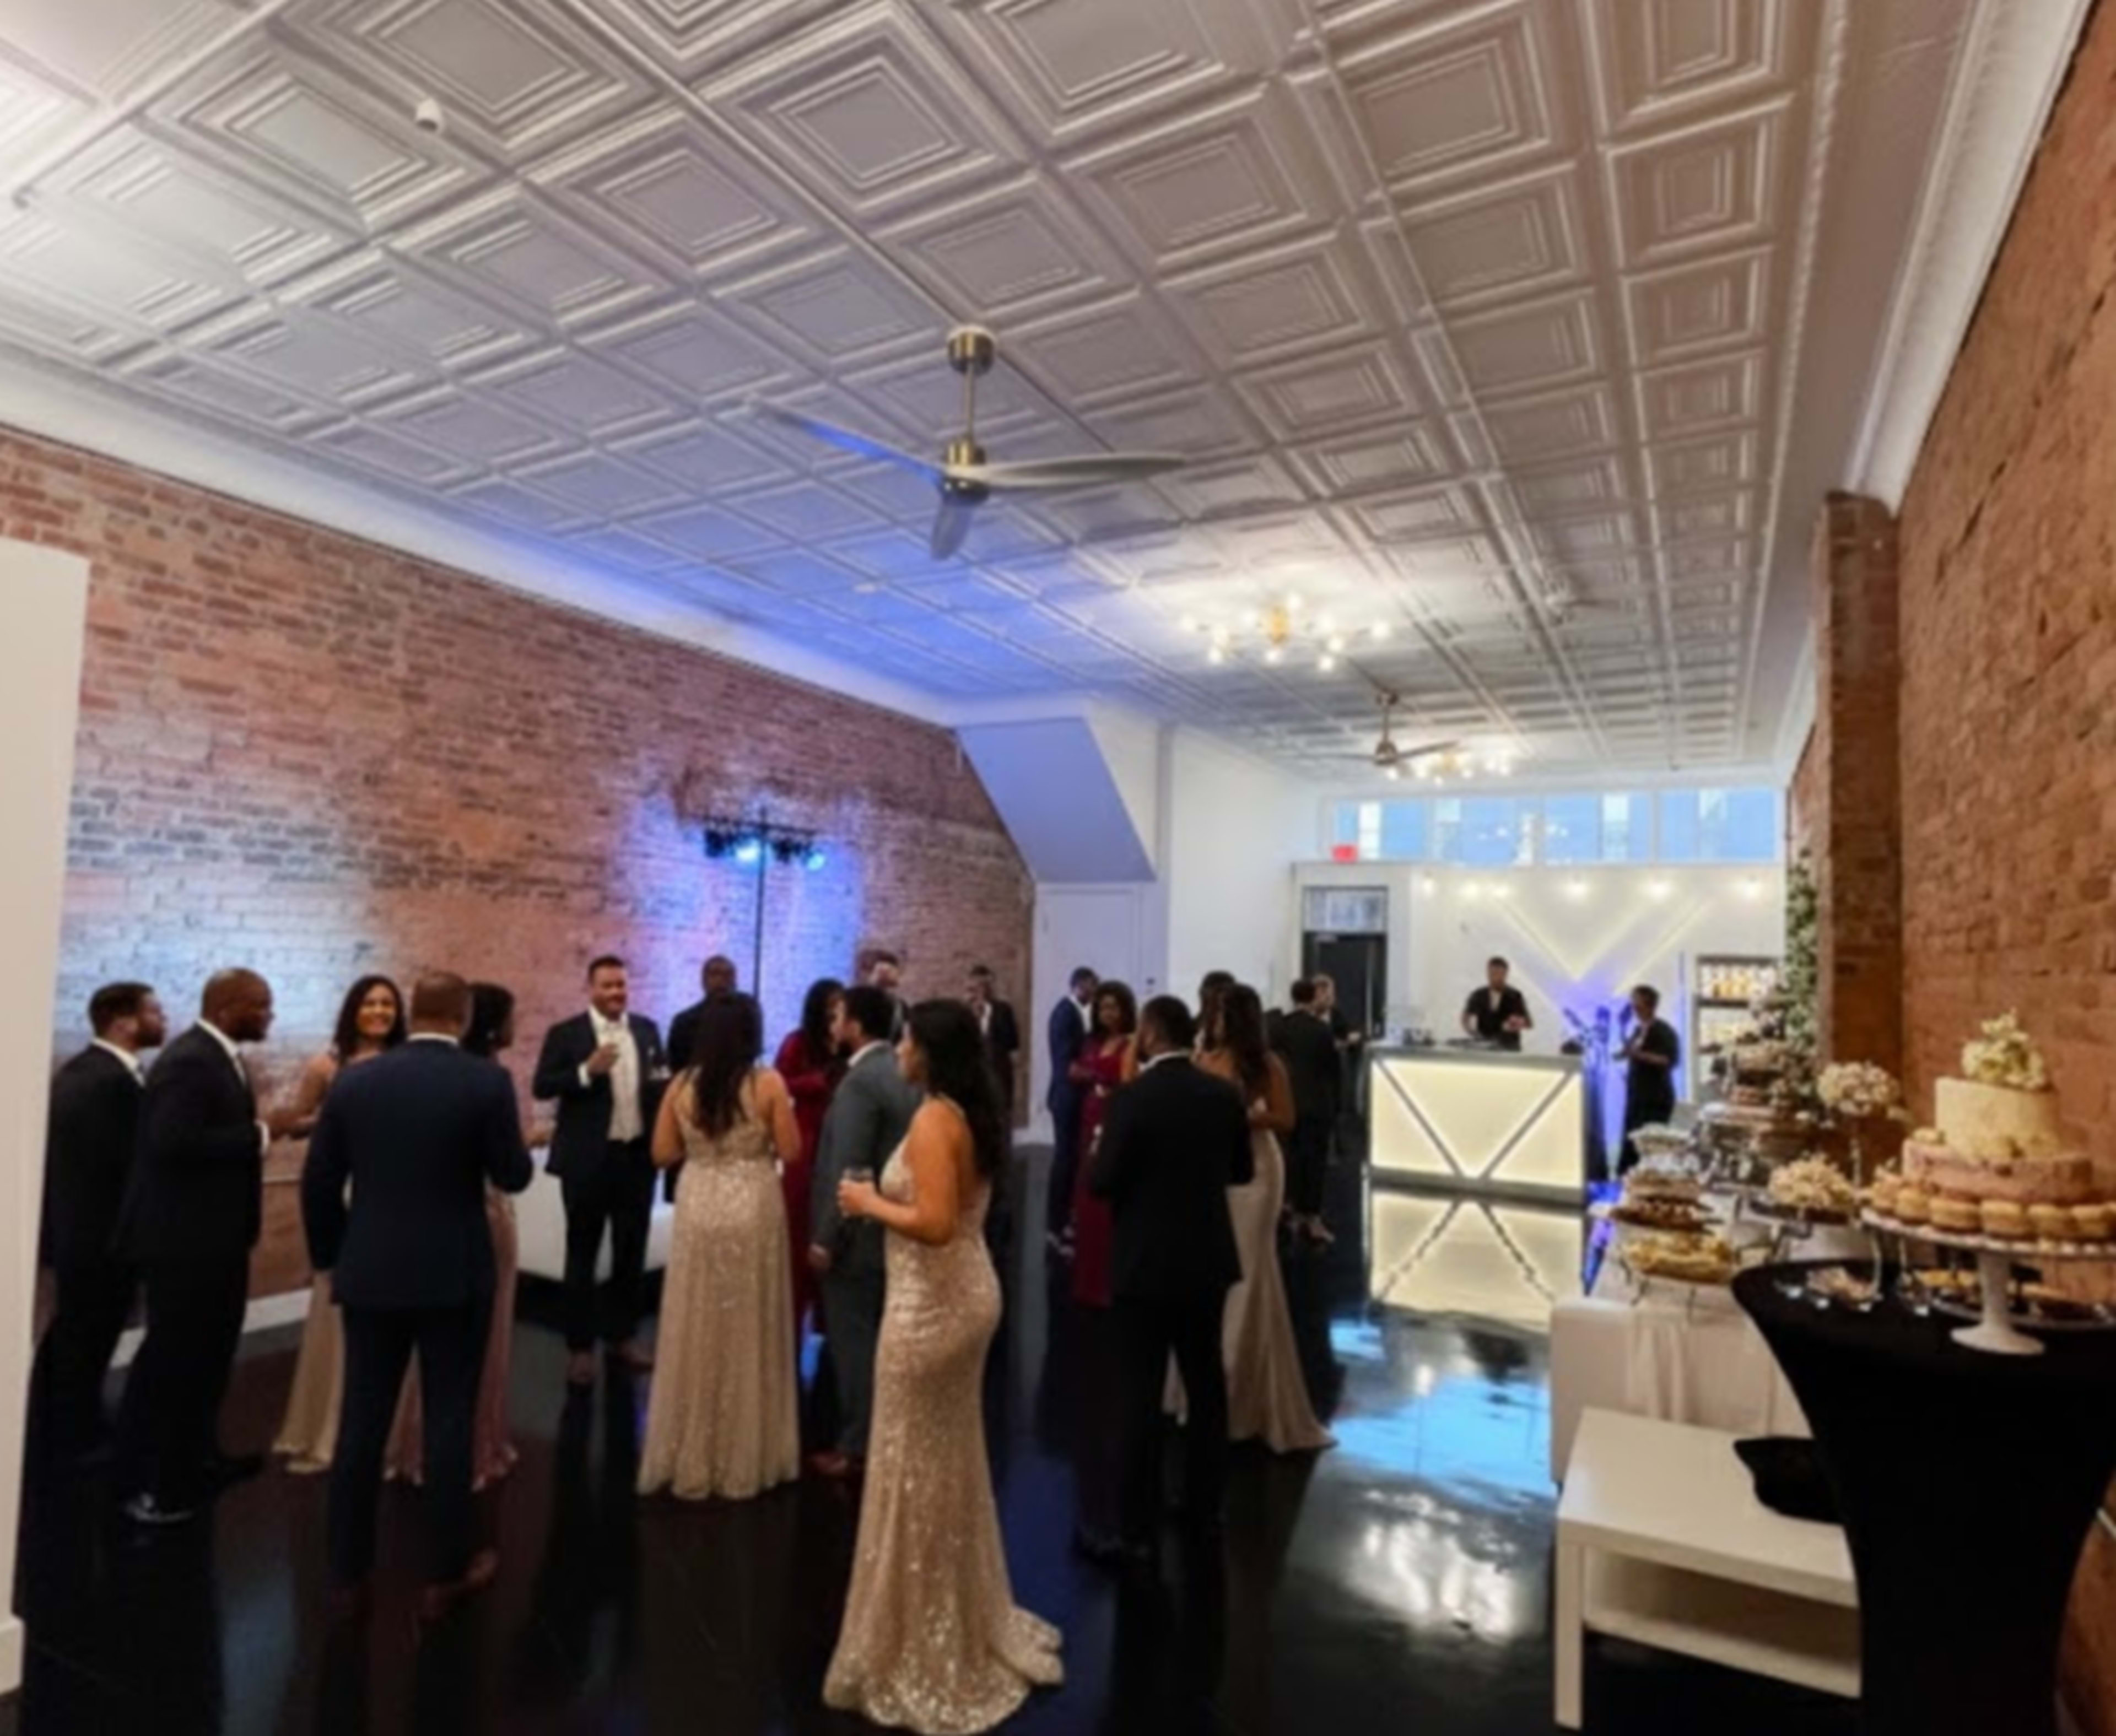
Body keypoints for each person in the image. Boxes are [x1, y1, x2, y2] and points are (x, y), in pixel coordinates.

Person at [824, 1001, 1063, 1730]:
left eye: (906, 1038)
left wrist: (865, 1199)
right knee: (946, 1455)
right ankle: (950, 1609)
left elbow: (933, 1222)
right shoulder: (965, 1111)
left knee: (912, 1459)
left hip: (933, 1305)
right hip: (965, 1295)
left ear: (929, 1049)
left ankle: (920, 1630)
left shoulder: (934, 1120)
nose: (898, 1047)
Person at [302, 971, 532, 1621]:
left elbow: (320, 1183)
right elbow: (512, 1172)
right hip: (455, 1272)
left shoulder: (355, 1079)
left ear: (415, 1010)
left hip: (370, 1269)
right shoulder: (485, 1081)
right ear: (461, 1017)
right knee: (449, 1417)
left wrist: (332, 1257)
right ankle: (445, 1571)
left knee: (361, 1422)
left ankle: (346, 1575)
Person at [115, 969, 304, 1527]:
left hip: (214, 1240)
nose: (270, 1014)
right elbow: (172, 1141)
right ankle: (153, 1483)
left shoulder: (217, 1055)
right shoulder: (191, 1060)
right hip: (184, 1244)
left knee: (210, 1357)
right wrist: (262, 1132)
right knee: (174, 1361)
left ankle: (199, 1459)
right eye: (261, 1005)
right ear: (227, 1008)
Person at [1081, 996, 1251, 1566]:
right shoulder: (1222, 1095)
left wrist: (1105, 1151)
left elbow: (1102, 1182)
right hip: (1207, 1258)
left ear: (1151, 1034)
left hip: (1145, 1263)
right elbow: (1241, 1171)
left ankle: (1133, 1527)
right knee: (1206, 1385)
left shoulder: (1132, 1100)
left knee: (1140, 1392)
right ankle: (1206, 1506)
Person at [639, 994, 803, 1501]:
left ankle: (691, 1444)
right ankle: (747, 1449)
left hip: (700, 1202)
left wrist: (704, 1152)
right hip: (752, 1202)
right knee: (749, 1319)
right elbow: (793, 1151)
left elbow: (663, 1153)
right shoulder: (768, 1083)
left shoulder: (682, 1085)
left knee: (696, 1317)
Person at [386, 982, 530, 1491]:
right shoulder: (490, 1081)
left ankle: (413, 1444)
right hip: (481, 1217)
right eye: (514, 1015)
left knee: (419, 1350)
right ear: (484, 1022)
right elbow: (512, 1170)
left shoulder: (382, 1073)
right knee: (477, 1342)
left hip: (406, 1225)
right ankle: (467, 1450)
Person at [274, 974, 408, 1473]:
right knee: (338, 1308)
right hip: (339, 1191)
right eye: (371, 1003)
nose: (379, 1011)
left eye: (388, 1004)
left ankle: (389, 1429)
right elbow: (295, 1124)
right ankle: (328, 1427)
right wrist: (333, 1115)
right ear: (354, 1009)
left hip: (392, 1196)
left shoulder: (407, 1064)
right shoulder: (325, 1065)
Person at [1192, 986, 1333, 1454]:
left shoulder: (1266, 1065)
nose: (1213, 1020)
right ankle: (1208, 1385)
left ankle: (1241, 1392)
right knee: (1213, 1272)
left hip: (1256, 1172)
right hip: (1213, 1170)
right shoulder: (1204, 1058)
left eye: (1221, 1014)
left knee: (1250, 1271)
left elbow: (1286, 1119)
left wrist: (1243, 1118)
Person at [32, 981, 166, 1458]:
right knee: (84, 1341)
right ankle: (73, 1438)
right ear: (124, 1020)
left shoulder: (89, 1072)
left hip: (89, 1239)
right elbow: (114, 1170)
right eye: (154, 1010)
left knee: (78, 1338)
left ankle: (63, 1427)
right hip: (99, 1242)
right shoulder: (106, 1081)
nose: (163, 1019)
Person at [533, 956, 670, 1388]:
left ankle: (623, 1337)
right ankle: (579, 1348)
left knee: (631, 1250)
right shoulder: (567, 1033)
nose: (616, 993)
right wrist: (584, 1071)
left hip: (635, 1158)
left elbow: (660, 1081)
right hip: (588, 1160)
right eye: (608, 986)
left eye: (622, 986)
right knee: (583, 1252)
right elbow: (543, 1085)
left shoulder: (647, 1030)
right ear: (591, 988)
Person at [807, 986, 917, 1480]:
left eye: (838, 1017)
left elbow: (849, 1169)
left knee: (854, 1346)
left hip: (859, 1239)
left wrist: (827, 1238)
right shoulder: (903, 1072)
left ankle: (857, 1446)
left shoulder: (859, 1084)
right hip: (894, 1231)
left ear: (856, 1025)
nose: (833, 1027)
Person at [772, 977, 844, 1334]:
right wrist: (815, 1082)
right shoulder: (798, 1041)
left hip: (840, 1136)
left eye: (840, 1002)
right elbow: (779, 1080)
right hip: (806, 1136)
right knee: (800, 1221)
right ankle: (793, 1314)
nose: (836, 1008)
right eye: (830, 1002)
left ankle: (827, 1318)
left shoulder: (846, 1043)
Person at [1068, 980, 1137, 1309]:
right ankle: (1087, 1280)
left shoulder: (1132, 1043)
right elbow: (1074, 1070)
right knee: (1087, 1192)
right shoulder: (1092, 1041)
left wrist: (1099, 1078)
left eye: (1114, 1007)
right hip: (1090, 1115)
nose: (1108, 1013)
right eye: (1103, 1007)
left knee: (1109, 1194)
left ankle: (1111, 1281)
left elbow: (1132, 1082)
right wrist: (1090, 1076)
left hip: (1115, 1117)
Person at [1276, 980, 1341, 1249]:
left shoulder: (1280, 1029)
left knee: (1290, 1158)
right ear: (1313, 997)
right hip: (1316, 1106)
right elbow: (1333, 1071)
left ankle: (1288, 1212)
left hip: (1288, 1102)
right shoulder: (1321, 1031)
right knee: (1314, 1164)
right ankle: (1311, 1220)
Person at [1043, 966, 1098, 1257]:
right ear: (1079, 985)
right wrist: (1101, 1075)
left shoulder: (1072, 1013)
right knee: (1065, 1161)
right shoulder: (1066, 1014)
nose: (1094, 993)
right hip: (1067, 1098)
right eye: (1092, 986)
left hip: (1069, 1097)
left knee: (1072, 1159)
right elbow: (1067, 1065)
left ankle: (1064, 1220)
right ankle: (1056, 1223)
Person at [1619, 984, 1682, 1174]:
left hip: (1655, 1098)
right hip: (1637, 1096)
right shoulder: (1638, 1030)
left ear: (1648, 1005)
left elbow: (1668, 1060)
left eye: (1636, 1003)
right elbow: (1632, 1052)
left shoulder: (1664, 1031)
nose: (1632, 1007)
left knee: (1651, 1143)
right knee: (1632, 1141)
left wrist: (1638, 1055)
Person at [964, 965, 1021, 1122]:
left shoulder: (1004, 1010)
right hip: (975, 1074)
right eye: (979, 986)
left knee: (1001, 1117)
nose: (984, 991)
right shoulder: (965, 1012)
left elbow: (1013, 1042)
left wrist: (989, 1017)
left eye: (987, 985)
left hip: (999, 1071)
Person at [666, 954, 739, 1074]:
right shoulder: (684, 1022)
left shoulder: (744, 1021)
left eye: (728, 975)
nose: (721, 981)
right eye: (715, 974)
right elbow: (675, 1066)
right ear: (703, 980)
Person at [1462, 956, 1532, 1050]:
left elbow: (1529, 1023)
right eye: (1492, 974)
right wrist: (1473, 1033)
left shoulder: (1515, 996)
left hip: (1509, 1046)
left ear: (1506, 974)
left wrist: (1517, 1023)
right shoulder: (1479, 995)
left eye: (1498, 974)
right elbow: (1466, 1017)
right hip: (1484, 1045)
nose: (1495, 978)